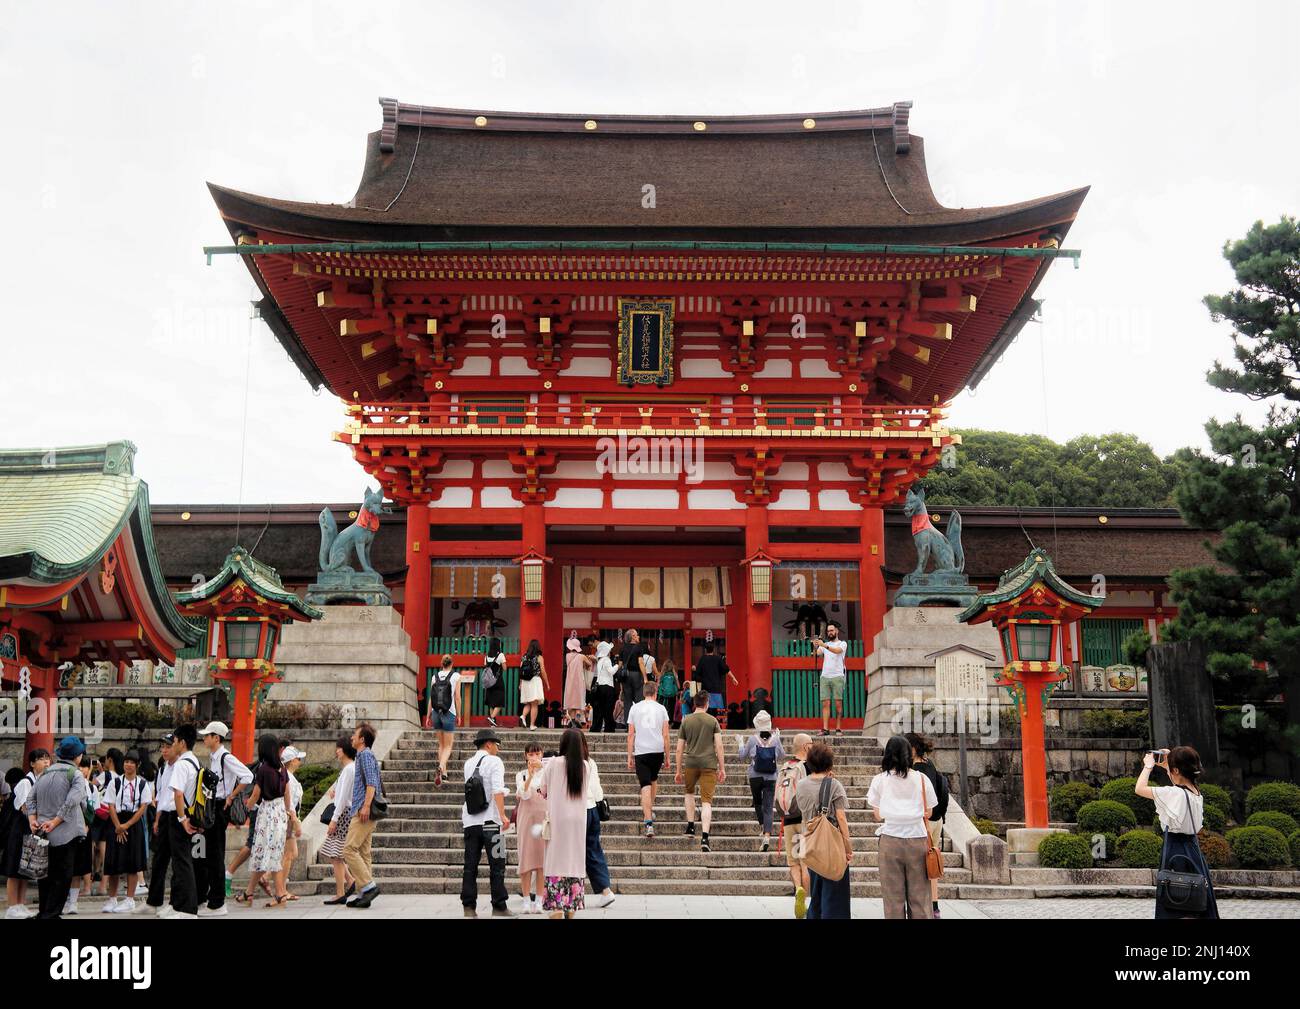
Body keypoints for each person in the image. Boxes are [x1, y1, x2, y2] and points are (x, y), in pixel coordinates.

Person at [1136, 745, 1219, 919]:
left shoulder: (1174, 794)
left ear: (1176, 770)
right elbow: (1178, 782)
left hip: (1175, 847)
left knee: (1174, 896)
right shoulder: (1196, 792)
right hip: (1193, 849)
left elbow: (1139, 788)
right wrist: (1168, 766)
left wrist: (1148, 766)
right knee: (1195, 894)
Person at [868, 734, 937, 920]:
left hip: (890, 839)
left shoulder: (879, 780)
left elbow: (877, 814)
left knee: (893, 899)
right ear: (909, 754)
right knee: (920, 897)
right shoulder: (922, 779)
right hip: (917, 839)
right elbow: (928, 812)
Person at [25, 735, 89, 919]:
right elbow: (72, 801)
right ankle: (51, 914)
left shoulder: (45, 772)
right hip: (65, 833)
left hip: (41, 833)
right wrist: (55, 821)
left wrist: (32, 819)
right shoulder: (75, 774)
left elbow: (31, 798)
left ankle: (44, 912)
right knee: (62, 876)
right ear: (77, 756)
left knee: (44, 876)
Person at [196, 721, 252, 917]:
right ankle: (214, 899)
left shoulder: (225, 757)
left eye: (207, 735)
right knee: (212, 854)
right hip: (213, 806)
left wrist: (231, 795)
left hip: (220, 807)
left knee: (216, 854)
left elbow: (247, 776)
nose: (204, 738)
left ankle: (218, 902)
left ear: (216, 738)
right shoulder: (214, 757)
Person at [795, 741, 854, 919]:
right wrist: (848, 847)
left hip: (810, 842)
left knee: (816, 891)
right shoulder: (834, 785)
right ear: (829, 763)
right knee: (835, 894)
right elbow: (841, 818)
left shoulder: (801, 785)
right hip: (831, 845)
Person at [461, 727, 513, 917]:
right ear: (489, 744)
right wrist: (503, 816)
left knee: (470, 865)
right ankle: (499, 906)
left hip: (470, 822)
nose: (498, 749)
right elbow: (497, 791)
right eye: (496, 745)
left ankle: (469, 907)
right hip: (492, 823)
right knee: (497, 864)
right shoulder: (495, 761)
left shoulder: (468, 763)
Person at [538, 728, 588, 918]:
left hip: (558, 821)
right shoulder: (585, 766)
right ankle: (571, 906)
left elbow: (542, 790)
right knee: (574, 861)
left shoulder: (552, 764)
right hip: (577, 823)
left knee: (555, 861)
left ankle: (556, 906)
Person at [242, 733, 293, 909]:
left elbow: (256, 794)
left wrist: (246, 807)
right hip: (280, 813)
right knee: (265, 853)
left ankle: (280, 895)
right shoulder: (282, 768)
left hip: (267, 813)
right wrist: (288, 812)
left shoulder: (263, 769)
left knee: (270, 854)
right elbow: (287, 793)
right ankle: (249, 892)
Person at [905, 732, 949, 919]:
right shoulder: (930, 764)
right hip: (936, 819)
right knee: (931, 863)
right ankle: (934, 907)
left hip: (922, 821)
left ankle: (918, 907)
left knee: (916, 867)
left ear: (913, 748)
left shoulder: (915, 770)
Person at [675, 690, 726, 851]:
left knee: (689, 793)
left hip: (691, 762)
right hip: (709, 764)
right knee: (706, 802)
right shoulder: (712, 721)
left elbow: (679, 748)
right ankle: (705, 837)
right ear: (707, 703)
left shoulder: (686, 721)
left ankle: (690, 826)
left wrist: (678, 770)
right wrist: (722, 768)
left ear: (694, 703)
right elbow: (719, 746)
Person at [102, 750, 152, 914]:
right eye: (126, 762)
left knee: (133, 862)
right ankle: (112, 898)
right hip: (116, 822)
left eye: (131, 762)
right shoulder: (115, 783)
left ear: (137, 765)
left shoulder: (143, 784)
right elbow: (110, 805)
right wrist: (118, 826)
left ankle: (130, 899)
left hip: (134, 823)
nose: (128, 765)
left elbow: (143, 807)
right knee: (113, 862)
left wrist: (127, 825)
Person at [4, 749, 50, 918]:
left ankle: (21, 904)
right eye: (41, 759)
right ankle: (11, 906)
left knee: (25, 869)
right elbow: (25, 807)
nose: (45, 762)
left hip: (33, 828)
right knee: (14, 869)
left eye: (47, 759)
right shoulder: (26, 782)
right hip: (21, 828)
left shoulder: (43, 781)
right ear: (32, 763)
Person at [164, 723, 203, 918]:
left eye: (175, 740)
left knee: (182, 863)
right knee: (184, 862)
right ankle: (180, 906)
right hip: (192, 813)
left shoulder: (181, 764)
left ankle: (188, 909)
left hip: (181, 817)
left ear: (182, 742)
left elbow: (178, 794)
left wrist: (181, 819)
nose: (173, 744)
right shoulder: (195, 761)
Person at [135, 731, 176, 916]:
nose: (164, 750)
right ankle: (153, 901)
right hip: (164, 816)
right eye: (163, 747)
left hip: (177, 816)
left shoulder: (181, 766)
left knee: (177, 863)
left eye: (168, 746)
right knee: (159, 861)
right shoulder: (163, 769)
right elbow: (161, 796)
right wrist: (157, 819)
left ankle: (175, 902)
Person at [344, 722, 384, 908]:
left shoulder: (366, 755)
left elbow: (372, 783)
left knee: (349, 849)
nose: (352, 737)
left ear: (362, 739)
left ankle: (368, 887)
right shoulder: (361, 755)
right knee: (363, 852)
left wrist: (366, 806)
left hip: (363, 810)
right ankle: (364, 893)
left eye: (355, 734)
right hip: (362, 808)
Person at [627, 680, 671, 838]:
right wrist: (668, 756)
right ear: (655, 692)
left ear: (644, 692)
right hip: (657, 749)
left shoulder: (635, 708)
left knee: (645, 785)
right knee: (653, 779)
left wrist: (629, 755)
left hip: (641, 750)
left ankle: (648, 822)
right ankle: (649, 810)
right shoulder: (661, 709)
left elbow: (631, 734)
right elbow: (666, 734)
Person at [776, 732, 812, 918]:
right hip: (804, 820)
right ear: (806, 747)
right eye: (811, 744)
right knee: (805, 862)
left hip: (788, 820)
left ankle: (798, 889)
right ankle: (805, 901)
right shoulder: (807, 766)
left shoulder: (785, 766)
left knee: (793, 862)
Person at [738, 710, 786, 852]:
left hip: (755, 776)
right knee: (768, 807)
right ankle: (766, 835)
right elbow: (782, 756)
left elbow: (742, 756)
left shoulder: (753, 739)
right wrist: (778, 737)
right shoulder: (775, 739)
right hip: (771, 776)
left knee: (758, 802)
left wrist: (740, 742)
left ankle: (762, 826)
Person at [579, 733, 616, 909]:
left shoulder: (568, 763)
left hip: (577, 811)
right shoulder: (590, 762)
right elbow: (596, 787)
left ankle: (574, 892)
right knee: (593, 849)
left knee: (573, 852)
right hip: (592, 808)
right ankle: (605, 890)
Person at [320, 735, 357, 905]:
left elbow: (342, 799)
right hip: (344, 814)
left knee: (336, 855)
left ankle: (341, 892)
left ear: (345, 750)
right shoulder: (348, 768)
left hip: (343, 815)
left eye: (339, 748)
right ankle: (350, 882)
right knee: (336, 854)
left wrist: (334, 819)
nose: (337, 751)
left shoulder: (349, 769)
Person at [514, 742, 547, 913]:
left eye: (537, 754)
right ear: (526, 756)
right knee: (526, 858)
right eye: (530, 754)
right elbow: (524, 794)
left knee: (542, 861)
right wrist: (531, 775)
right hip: (526, 818)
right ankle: (526, 899)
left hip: (543, 818)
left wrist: (540, 771)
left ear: (542, 754)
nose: (534, 757)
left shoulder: (548, 772)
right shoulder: (521, 775)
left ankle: (539, 900)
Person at [89, 748, 123, 896]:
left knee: (92, 843)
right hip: (112, 814)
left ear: (109, 760)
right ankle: (104, 884)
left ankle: (89, 879)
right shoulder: (121, 776)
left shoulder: (106, 775)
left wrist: (92, 771)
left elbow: (91, 785)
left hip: (99, 813)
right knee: (105, 847)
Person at [65, 759, 96, 914]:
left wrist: (87, 825)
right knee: (65, 867)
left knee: (77, 867)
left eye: (85, 766)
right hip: (64, 826)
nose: (82, 769)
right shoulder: (67, 779)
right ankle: (64, 900)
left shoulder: (89, 786)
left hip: (81, 828)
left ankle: (73, 902)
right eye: (80, 766)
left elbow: (90, 808)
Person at [426, 654, 461, 786]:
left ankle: (444, 773)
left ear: (442, 664)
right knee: (448, 745)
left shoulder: (434, 677)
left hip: (436, 713)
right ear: (451, 664)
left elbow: (431, 698)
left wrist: (428, 715)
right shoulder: (456, 676)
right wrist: (458, 714)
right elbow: (457, 697)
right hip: (449, 712)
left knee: (441, 745)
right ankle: (441, 767)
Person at [811, 622, 848, 736]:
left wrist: (824, 645)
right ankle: (825, 729)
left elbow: (837, 651)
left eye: (831, 630)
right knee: (825, 704)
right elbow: (816, 654)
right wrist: (815, 645)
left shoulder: (842, 643)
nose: (830, 633)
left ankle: (838, 728)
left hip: (838, 675)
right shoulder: (825, 644)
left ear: (836, 631)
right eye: (828, 631)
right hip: (825, 676)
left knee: (838, 704)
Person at [279, 745, 306, 903]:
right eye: (298, 758)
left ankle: (271, 880)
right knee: (290, 854)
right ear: (292, 761)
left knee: (289, 854)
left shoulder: (285, 776)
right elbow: (290, 805)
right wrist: (296, 823)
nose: (300, 761)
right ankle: (281, 888)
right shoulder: (289, 779)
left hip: (285, 819)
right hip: (288, 819)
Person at [692, 639, 738, 715]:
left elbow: (697, 674)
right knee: (716, 711)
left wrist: (694, 670)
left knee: (707, 709)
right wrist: (733, 678)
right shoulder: (718, 659)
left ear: (705, 649)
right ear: (713, 650)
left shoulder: (703, 659)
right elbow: (726, 669)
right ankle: (715, 723)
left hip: (706, 689)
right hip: (716, 688)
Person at [518, 638, 551, 730]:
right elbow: (543, 671)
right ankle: (532, 725)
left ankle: (523, 716)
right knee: (534, 704)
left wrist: (520, 684)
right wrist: (547, 684)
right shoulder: (539, 657)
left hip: (525, 682)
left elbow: (521, 671)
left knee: (529, 702)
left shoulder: (524, 656)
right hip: (535, 680)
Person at [591, 640, 619, 733]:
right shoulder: (606, 660)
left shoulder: (599, 661)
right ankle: (609, 728)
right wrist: (617, 665)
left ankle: (596, 727)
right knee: (608, 709)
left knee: (600, 709)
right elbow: (611, 671)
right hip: (607, 687)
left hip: (599, 687)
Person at [563, 637, 592, 728]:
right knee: (579, 702)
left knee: (571, 702)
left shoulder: (567, 656)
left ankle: (572, 721)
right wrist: (588, 658)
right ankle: (578, 719)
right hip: (579, 681)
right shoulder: (581, 656)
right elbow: (589, 664)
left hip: (570, 681)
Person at [482, 637, 508, 727]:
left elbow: (485, 666)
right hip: (497, 681)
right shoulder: (500, 655)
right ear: (498, 645)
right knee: (500, 702)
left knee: (491, 703)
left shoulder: (486, 656)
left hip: (489, 682)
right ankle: (492, 717)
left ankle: (492, 723)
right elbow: (504, 668)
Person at [656, 659, 681, 728]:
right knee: (671, 709)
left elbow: (657, 685)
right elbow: (678, 686)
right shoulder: (674, 675)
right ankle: (669, 724)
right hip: (672, 695)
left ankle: (660, 723)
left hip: (662, 695)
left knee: (661, 708)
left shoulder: (662, 675)